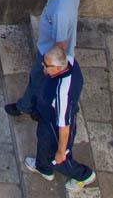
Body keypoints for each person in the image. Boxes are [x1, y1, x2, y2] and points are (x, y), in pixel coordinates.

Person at [5, 0, 80, 119]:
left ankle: (25, 107)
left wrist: (48, 64)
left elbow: (60, 44)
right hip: (49, 48)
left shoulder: (60, 13)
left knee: (37, 78)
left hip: (49, 52)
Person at [23, 46, 97, 187]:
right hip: (46, 118)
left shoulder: (62, 93)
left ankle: (84, 175)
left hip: (54, 125)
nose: (42, 65)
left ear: (57, 68)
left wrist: (61, 152)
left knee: (56, 158)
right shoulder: (70, 62)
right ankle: (43, 168)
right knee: (43, 143)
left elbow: (64, 127)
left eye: (46, 65)